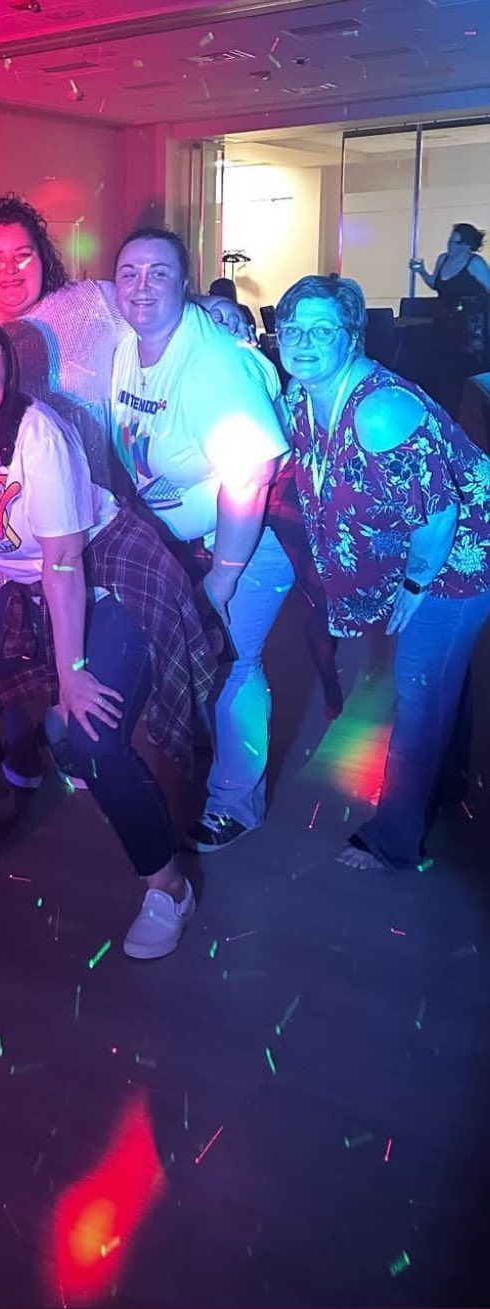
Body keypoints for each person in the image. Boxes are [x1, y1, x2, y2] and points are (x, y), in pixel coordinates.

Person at [0, 319, 218, 960]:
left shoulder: (38, 434)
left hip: (105, 570)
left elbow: (64, 565)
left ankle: (168, 886)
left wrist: (73, 671)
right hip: (37, 587)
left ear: (9, 373)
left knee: (92, 733)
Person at [277, 273, 490, 870]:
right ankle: (447, 785)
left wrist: (417, 583)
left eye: (322, 329)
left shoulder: (380, 414)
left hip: (460, 557)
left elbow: (441, 513)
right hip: (429, 545)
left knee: (420, 690)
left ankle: (395, 838)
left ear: (353, 337)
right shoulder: (302, 397)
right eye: (292, 328)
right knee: (445, 677)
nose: (303, 341)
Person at [110, 227, 292, 854]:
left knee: (233, 659)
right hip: (185, 541)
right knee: (198, 656)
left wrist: (224, 573)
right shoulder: (131, 346)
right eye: (129, 271)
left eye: (158, 272)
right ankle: (202, 752)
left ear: (183, 284)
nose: (141, 285)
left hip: (246, 540)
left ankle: (236, 803)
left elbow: (250, 473)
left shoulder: (211, 361)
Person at [0, 194, 126, 490]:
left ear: (42, 258)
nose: (10, 269)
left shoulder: (93, 303)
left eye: (22, 255)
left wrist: (215, 308)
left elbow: (156, 307)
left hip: (94, 509)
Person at [410, 224, 490, 414]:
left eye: (455, 243)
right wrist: (421, 271)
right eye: (450, 241)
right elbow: (436, 285)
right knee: (439, 372)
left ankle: (465, 420)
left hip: (469, 331)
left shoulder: (475, 263)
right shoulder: (443, 259)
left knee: (462, 376)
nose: (450, 246)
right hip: (443, 325)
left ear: (467, 245)